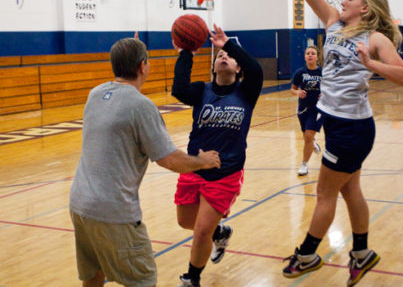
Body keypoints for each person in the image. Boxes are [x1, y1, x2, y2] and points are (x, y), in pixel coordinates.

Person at [265, 0, 403, 286]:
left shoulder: (376, 38)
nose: (342, 1)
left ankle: (307, 255)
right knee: (350, 191)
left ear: (364, 9)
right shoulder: (332, 21)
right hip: (336, 122)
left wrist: (371, 63)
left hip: (351, 128)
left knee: (325, 194)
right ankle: (362, 253)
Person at [69, 36, 221, 287]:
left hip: (79, 205)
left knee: (94, 275)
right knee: (143, 280)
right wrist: (202, 161)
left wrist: (130, 49)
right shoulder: (141, 106)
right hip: (113, 210)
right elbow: (170, 160)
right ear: (143, 67)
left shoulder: (95, 94)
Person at [172, 24, 263, 287]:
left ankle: (192, 278)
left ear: (238, 68)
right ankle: (221, 232)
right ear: (213, 68)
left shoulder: (246, 92)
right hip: (193, 168)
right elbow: (178, 89)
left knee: (201, 233)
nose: (223, 58)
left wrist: (228, 45)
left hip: (226, 173)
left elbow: (255, 70)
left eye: (229, 58)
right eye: (219, 57)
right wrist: (186, 52)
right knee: (185, 222)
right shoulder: (202, 91)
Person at [290, 45, 323, 176]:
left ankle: (304, 164)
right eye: (308, 53)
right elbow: (292, 89)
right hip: (303, 109)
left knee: (308, 135)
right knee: (307, 137)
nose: (310, 55)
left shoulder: (322, 73)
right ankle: (313, 143)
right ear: (305, 56)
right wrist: (297, 92)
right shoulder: (300, 73)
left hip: (318, 109)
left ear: (317, 57)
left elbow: (331, 88)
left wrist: (325, 93)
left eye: (313, 53)